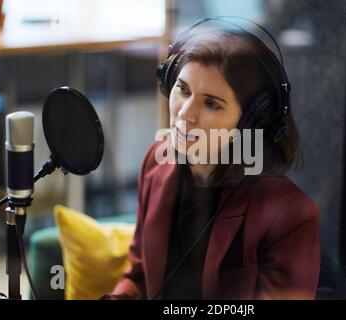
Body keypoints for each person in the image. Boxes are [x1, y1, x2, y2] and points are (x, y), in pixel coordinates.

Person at [106, 17, 320, 300]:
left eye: (211, 103)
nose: (185, 114)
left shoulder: (289, 213)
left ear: (250, 122)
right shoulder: (156, 164)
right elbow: (139, 273)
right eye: (183, 89)